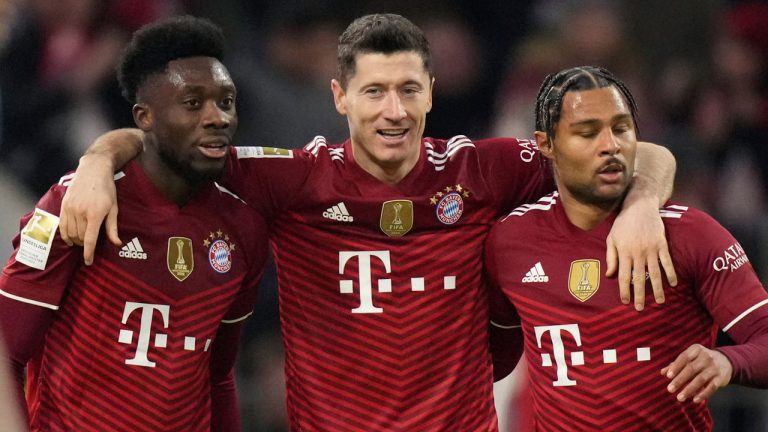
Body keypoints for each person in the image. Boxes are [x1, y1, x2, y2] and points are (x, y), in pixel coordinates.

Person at [58, 14, 677, 431]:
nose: (394, 111)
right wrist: (95, 163)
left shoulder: (482, 168)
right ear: (339, 97)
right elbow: (167, 142)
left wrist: (643, 205)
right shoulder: (292, 178)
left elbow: (641, 154)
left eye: (409, 89)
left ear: (431, 91)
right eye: (375, 91)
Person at [0, 16, 268, 431]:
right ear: (144, 118)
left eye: (226, 101)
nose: (218, 117)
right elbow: (7, 352)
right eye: (193, 103)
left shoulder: (243, 227)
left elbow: (217, 377)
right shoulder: (75, 204)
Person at [485, 66, 768, 431]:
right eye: (586, 133)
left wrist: (728, 361)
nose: (610, 145)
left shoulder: (690, 233)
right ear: (546, 145)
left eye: (621, 128)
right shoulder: (509, 241)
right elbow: (493, 355)